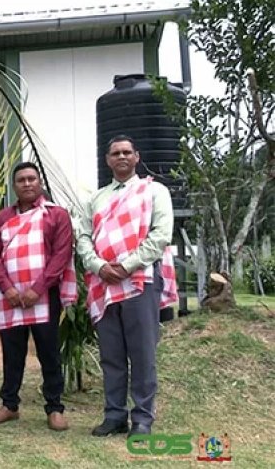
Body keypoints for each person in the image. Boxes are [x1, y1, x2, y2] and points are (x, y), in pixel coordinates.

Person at [77, 135, 177, 437]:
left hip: (139, 280)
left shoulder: (154, 191)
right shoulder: (97, 198)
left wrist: (127, 266)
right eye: (115, 153)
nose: (121, 157)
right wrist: (99, 266)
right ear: (107, 160)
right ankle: (115, 415)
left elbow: (161, 235)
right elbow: (83, 237)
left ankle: (143, 418)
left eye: (126, 152)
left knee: (142, 353)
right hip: (104, 283)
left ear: (136, 157)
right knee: (111, 354)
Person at [0, 162, 76, 431]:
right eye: (21, 180)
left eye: (31, 179)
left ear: (39, 183)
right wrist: (8, 289)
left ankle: (55, 408)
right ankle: (9, 404)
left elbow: (61, 254)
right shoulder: (2, 218)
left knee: (49, 352)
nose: (27, 183)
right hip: (10, 298)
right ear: (14, 186)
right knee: (12, 353)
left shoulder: (56, 215)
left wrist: (38, 289)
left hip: (44, 297)